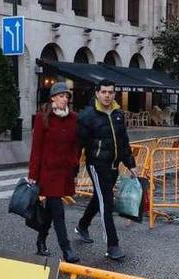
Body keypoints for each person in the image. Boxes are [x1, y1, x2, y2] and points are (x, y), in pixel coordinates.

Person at [75, 79, 137, 261]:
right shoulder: (87, 116)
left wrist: (130, 164)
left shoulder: (118, 114)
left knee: (99, 198)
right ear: (97, 93)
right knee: (106, 203)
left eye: (110, 92)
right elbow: (77, 145)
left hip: (113, 165)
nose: (107, 95)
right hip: (97, 165)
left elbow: (123, 141)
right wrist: (73, 171)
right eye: (104, 92)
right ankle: (112, 245)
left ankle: (82, 225)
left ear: (114, 94)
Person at [27, 82, 81, 263]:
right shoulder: (43, 118)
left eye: (67, 96)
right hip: (48, 172)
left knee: (51, 210)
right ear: (52, 98)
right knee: (58, 210)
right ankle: (66, 249)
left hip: (64, 170)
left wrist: (74, 163)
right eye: (61, 96)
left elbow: (76, 144)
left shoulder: (74, 118)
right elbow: (36, 149)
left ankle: (41, 240)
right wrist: (32, 175)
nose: (64, 99)